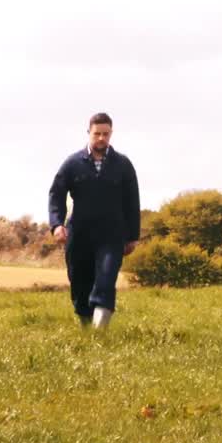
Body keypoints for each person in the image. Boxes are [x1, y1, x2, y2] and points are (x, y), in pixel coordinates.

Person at [48, 112, 140, 328]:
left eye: (106, 134)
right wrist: (56, 224)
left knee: (106, 280)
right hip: (79, 235)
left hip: (112, 235)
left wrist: (133, 236)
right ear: (89, 133)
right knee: (80, 283)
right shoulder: (72, 163)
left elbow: (132, 201)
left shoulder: (123, 165)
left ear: (111, 134)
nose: (101, 138)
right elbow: (56, 193)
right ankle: (85, 325)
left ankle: (99, 335)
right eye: (97, 133)